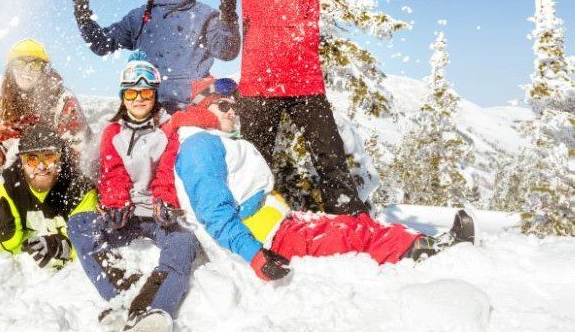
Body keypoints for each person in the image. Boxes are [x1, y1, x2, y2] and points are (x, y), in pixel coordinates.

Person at [195, 0, 411, 214]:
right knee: (254, 163)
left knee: (331, 159)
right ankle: (250, 222)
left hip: (305, 88)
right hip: (258, 90)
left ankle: (350, 218)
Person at [169, 76, 476, 282]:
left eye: (235, 106)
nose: (233, 113)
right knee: (353, 235)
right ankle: (424, 253)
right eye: (224, 106)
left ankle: (417, 242)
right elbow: (214, 214)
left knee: (356, 223)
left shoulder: (214, 140)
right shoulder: (200, 146)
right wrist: (255, 256)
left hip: (279, 227)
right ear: (201, 108)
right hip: (267, 240)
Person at [68, 52, 199, 332]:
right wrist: (116, 203)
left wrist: (164, 201)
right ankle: (124, 292)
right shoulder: (113, 132)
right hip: (126, 214)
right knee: (78, 225)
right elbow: (113, 172)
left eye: (145, 93)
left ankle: (155, 307)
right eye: (131, 93)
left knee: (184, 242)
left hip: (158, 213)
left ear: (154, 95)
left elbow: (167, 170)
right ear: (122, 96)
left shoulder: (168, 128)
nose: (138, 99)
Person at [69, 0, 241, 113]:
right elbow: (102, 44)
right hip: (151, 108)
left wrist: (228, 20)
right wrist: (84, 20)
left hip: (195, 106)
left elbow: (227, 52)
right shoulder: (140, 18)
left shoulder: (204, 15)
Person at [0, 38, 94, 176]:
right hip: (23, 182)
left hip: (58, 182)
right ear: (11, 69)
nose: (27, 70)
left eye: (36, 65)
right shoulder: (4, 106)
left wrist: (32, 149)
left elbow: (80, 158)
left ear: (44, 70)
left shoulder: (63, 102)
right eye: (20, 63)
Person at [0, 125, 97, 269]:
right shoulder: (10, 186)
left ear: (60, 158)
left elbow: (91, 246)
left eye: (49, 157)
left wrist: (62, 247)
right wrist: (5, 230)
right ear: (22, 162)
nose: (41, 167)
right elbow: (8, 251)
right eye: (32, 159)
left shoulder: (79, 189)